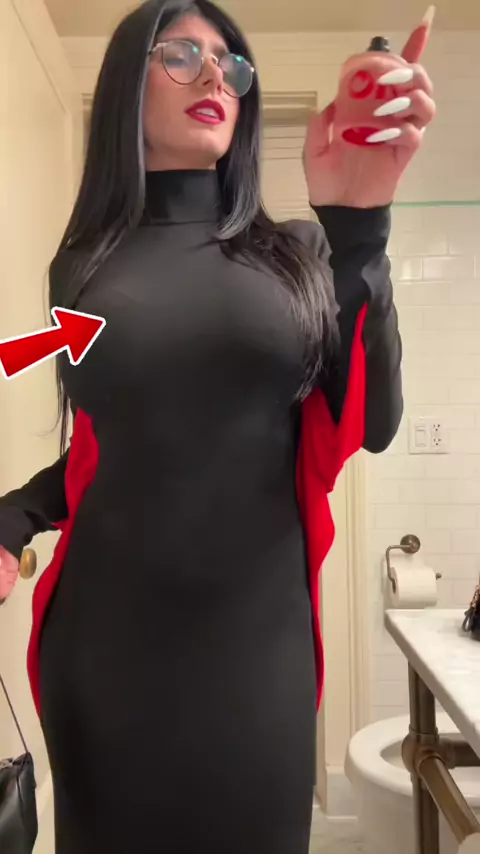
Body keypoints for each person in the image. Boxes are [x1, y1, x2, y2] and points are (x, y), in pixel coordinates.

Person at [0, 1, 435, 852]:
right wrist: (13, 515)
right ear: (126, 87)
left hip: (255, 660)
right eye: (181, 55)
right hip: (104, 656)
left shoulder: (299, 250)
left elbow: (374, 421)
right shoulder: (79, 267)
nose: (214, 75)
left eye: (230, 64)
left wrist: (361, 231)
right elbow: (108, 450)